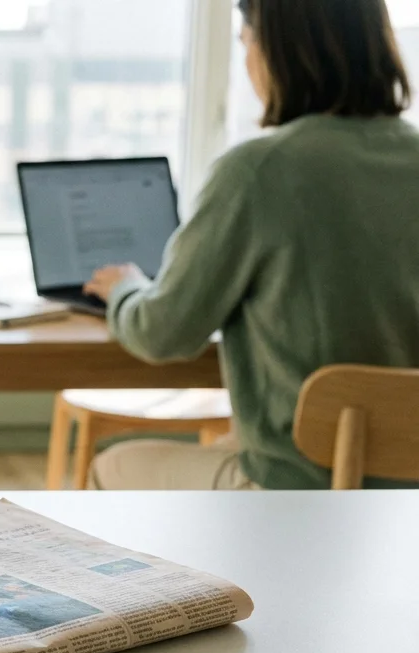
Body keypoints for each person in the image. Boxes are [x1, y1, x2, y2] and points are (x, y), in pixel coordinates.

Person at [83, 0, 419, 490]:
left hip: (297, 489)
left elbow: (163, 333)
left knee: (111, 465)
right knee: (224, 445)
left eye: (246, 44)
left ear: (277, 52)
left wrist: (124, 289)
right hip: (407, 503)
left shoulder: (259, 171)